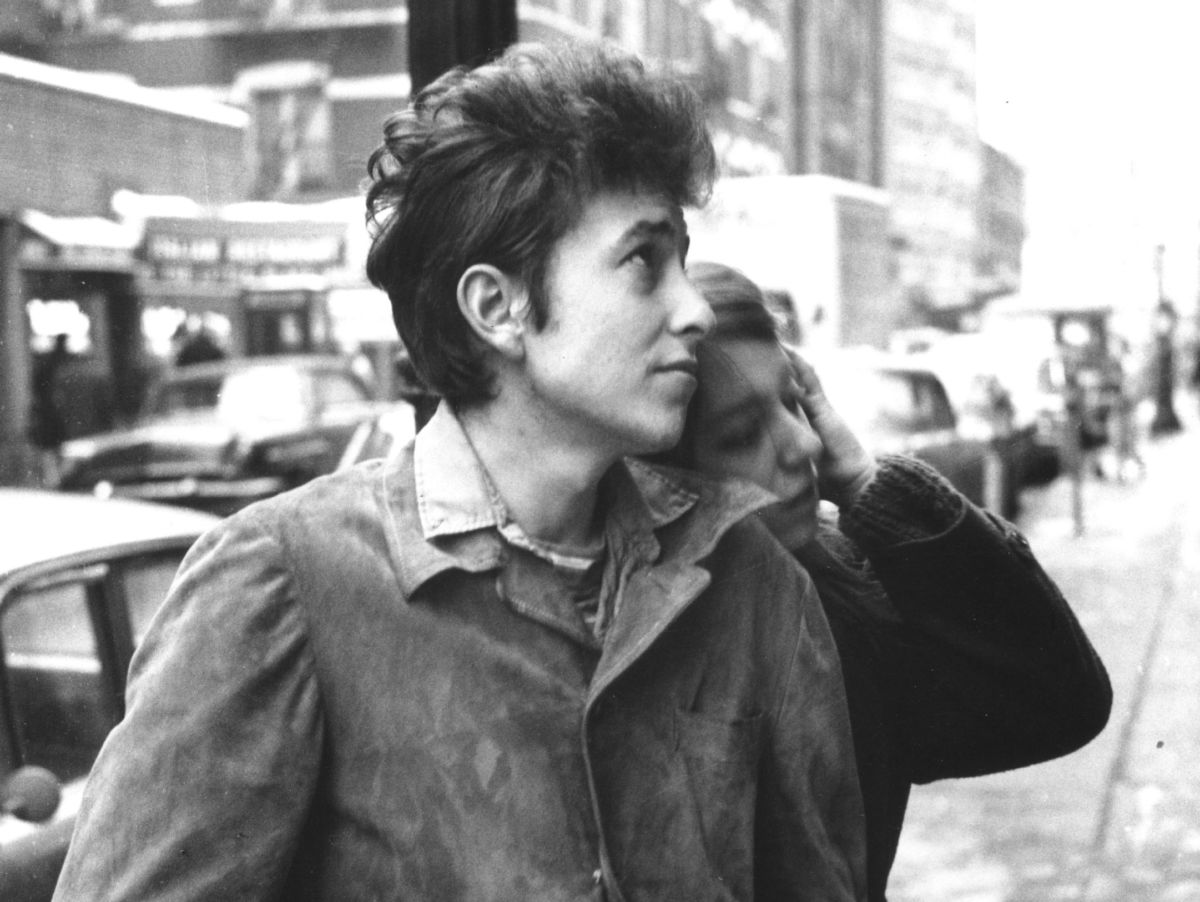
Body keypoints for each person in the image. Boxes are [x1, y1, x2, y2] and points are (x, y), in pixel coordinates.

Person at [53, 43, 869, 900]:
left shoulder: (748, 578)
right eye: (643, 262)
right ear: (495, 307)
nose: (693, 308)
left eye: (683, 260)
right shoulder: (282, 587)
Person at [659, 261, 1112, 902]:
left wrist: (867, 484)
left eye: (794, 402)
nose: (803, 443)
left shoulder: (838, 602)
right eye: (740, 434)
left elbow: (1061, 701)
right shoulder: (625, 655)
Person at [27, 332, 71, 486]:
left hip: (49, 417)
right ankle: (54, 483)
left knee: (52, 452)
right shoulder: (52, 364)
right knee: (51, 452)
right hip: (49, 417)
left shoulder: (52, 363)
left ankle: (53, 482)